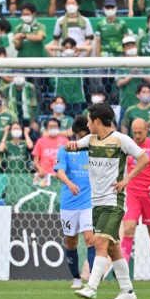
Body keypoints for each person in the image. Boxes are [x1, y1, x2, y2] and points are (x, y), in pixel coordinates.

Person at [66, 103, 149, 299]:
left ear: (96, 121)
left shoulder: (121, 140)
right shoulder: (91, 139)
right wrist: (69, 146)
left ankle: (92, 287)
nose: (86, 123)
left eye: (88, 120)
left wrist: (127, 180)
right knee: (112, 247)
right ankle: (127, 292)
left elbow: (143, 158)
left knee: (100, 242)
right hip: (96, 202)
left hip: (114, 200)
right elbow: (74, 145)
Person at [121, 119, 150, 281]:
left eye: (140, 132)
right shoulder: (128, 146)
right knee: (128, 229)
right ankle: (124, 271)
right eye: (134, 132)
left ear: (146, 129)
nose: (137, 135)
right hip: (132, 194)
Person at [55, 115, 95, 289]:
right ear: (77, 133)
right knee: (71, 241)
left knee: (90, 239)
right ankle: (76, 278)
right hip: (69, 203)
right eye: (82, 134)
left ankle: (93, 278)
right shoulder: (64, 150)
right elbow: (59, 171)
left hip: (88, 202)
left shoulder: (93, 149)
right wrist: (70, 183)